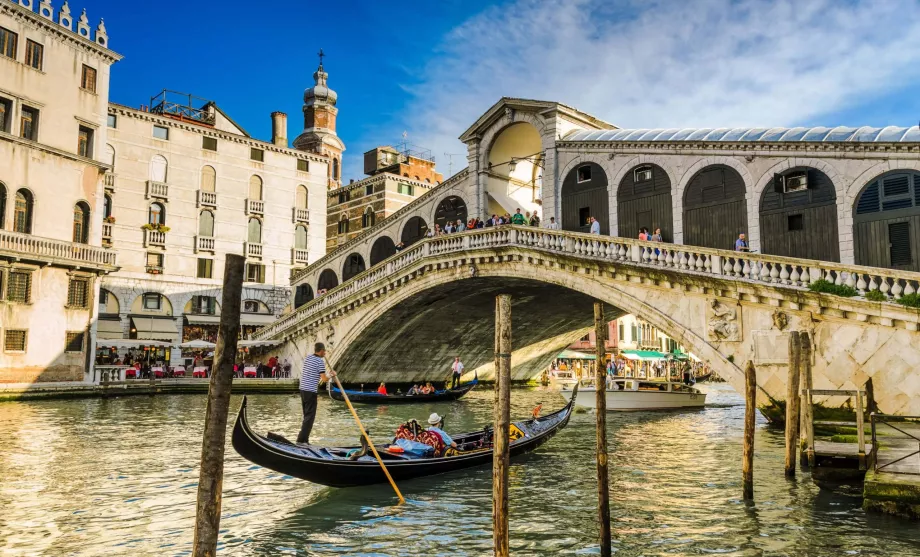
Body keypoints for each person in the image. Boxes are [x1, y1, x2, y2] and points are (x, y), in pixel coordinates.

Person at [297, 342, 336, 445]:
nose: (325, 353)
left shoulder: (308, 358)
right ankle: (301, 440)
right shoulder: (320, 361)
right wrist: (331, 375)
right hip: (310, 390)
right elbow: (324, 379)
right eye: (325, 351)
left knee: (306, 416)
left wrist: (327, 375)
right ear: (322, 351)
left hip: (302, 389)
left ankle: (305, 439)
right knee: (310, 416)